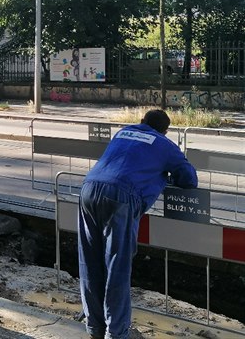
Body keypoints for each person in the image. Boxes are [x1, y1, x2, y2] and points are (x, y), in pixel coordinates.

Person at [78, 109, 198, 339]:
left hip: (89, 189)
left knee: (90, 261)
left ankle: (94, 327)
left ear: (141, 122)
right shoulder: (164, 144)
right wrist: (166, 175)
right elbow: (189, 179)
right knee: (117, 267)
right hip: (121, 196)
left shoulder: (124, 133)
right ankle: (117, 333)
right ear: (165, 131)